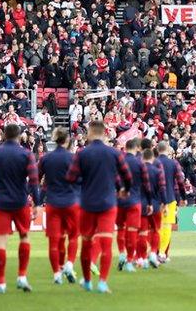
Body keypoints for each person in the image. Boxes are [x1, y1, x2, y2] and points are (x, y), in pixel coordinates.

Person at [66, 120, 133, 293]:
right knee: (106, 242)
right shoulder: (114, 153)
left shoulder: (82, 154)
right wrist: (124, 190)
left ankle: (87, 281)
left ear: (89, 133)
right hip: (107, 203)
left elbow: (71, 178)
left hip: (87, 203)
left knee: (87, 243)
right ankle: (103, 282)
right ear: (104, 133)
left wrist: (86, 180)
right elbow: (126, 176)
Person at [0, 124, 40, 293]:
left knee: (1, 241)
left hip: (1, 202)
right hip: (20, 202)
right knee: (24, 237)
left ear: (3, 135)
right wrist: (36, 203)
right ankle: (22, 276)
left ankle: (1, 282)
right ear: (20, 136)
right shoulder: (26, 154)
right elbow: (34, 180)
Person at [38, 127, 80, 285]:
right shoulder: (74, 158)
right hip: (71, 202)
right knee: (73, 236)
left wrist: (37, 200)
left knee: (54, 240)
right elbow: (81, 180)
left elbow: (36, 178)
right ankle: (69, 264)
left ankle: (57, 273)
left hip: (53, 203)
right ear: (67, 141)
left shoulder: (46, 159)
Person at [116, 138, 151, 272]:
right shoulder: (140, 163)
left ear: (125, 148)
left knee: (120, 228)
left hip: (119, 200)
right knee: (132, 231)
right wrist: (148, 202)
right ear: (136, 148)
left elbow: (115, 178)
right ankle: (130, 260)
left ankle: (121, 253)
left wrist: (120, 191)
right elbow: (146, 184)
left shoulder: (119, 161)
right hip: (135, 201)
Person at [155, 141, 186, 263]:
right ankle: (162, 253)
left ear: (157, 150)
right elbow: (180, 181)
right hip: (170, 198)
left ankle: (155, 252)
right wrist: (183, 197)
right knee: (167, 226)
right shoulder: (173, 163)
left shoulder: (154, 162)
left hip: (156, 199)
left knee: (157, 227)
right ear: (167, 150)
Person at [137, 148, 166, 268]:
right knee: (156, 230)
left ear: (143, 158)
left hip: (141, 205)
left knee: (142, 232)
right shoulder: (158, 171)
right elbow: (162, 188)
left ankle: (142, 258)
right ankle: (153, 253)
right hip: (155, 205)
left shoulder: (139, 171)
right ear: (152, 158)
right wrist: (164, 203)